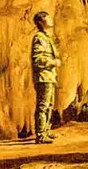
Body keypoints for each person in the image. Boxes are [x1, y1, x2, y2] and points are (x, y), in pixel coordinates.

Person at [31, 11, 61, 144]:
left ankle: (46, 130)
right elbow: (37, 59)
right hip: (43, 77)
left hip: (49, 76)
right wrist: (53, 62)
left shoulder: (46, 37)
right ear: (41, 22)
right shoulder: (39, 38)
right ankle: (40, 135)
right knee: (43, 106)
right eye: (47, 18)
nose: (50, 19)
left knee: (49, 105)